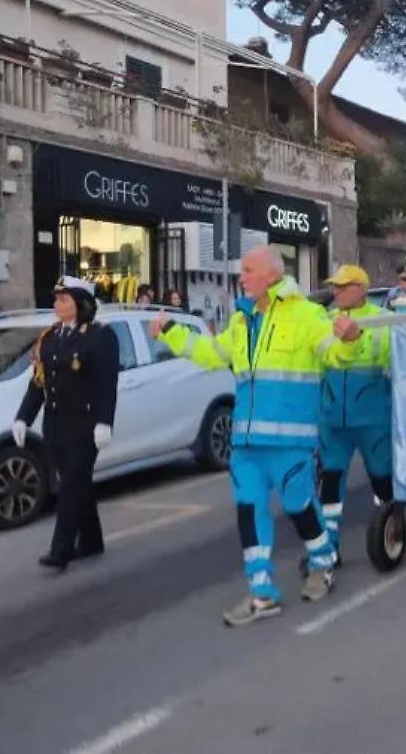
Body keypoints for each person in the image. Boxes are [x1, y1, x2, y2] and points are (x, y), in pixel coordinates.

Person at [151, 246, 362, 626]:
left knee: (299, 508)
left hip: (290, 442)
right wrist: (171, 333)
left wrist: (349, 340)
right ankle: (262, 592)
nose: (242, 277)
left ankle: (322, 562)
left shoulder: (307, 315)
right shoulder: (243, 320)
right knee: (249, 511)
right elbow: (212, 353)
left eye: (248, 270)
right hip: (246, 445)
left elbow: (332, 351)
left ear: (272, 275)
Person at [14, 277, 119, 572]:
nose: (57, 304)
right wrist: (23, 417)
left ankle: (60, 550)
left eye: (64, 299)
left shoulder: (99, 336)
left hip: (85, 426)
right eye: (56, 299)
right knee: (78, 483)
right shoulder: (50, 337)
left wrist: (104, 422)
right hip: (55, 424)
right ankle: (92, 540)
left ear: (81, 303)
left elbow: (106, 383)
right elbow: (39, 383)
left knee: (71, 485)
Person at [317, 265, 394, 560]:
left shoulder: (385, 321)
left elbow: (402, 366)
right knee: (331, 483)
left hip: (374, 419)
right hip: (333, 420)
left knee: (382, 480)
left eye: (343, 286)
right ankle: (328, 549)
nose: (336, 291)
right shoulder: (326, 321)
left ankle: (388, 534)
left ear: (361, 288)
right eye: (334, 286)